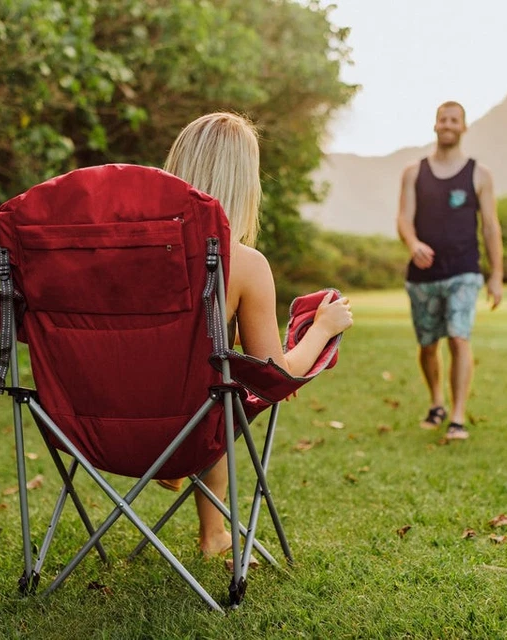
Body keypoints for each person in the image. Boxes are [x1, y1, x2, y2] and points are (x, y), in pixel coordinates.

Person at [162, 112, 354, 559]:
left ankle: (212, 531)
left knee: (213, 390)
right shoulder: (242, 263)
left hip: (93, 425)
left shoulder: (122, 255)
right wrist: (322, 328)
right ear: (244, 183)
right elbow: (272, 375)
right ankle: (210, 531)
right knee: (222, 398)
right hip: (185, 429)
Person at [396, 101, 503, 441]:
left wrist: (496, 274)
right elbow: (403, 218)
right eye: (443, 119)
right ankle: (436, 403)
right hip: (423, 276)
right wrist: (413, 244)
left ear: (464, 127)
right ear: (435, 125)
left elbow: (490, 227)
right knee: (428, 345)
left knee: (459, 337)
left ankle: (457, 417)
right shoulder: (414, 172)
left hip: (464, 271)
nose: (448, 124)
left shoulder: (479, 174)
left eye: (454, 120)